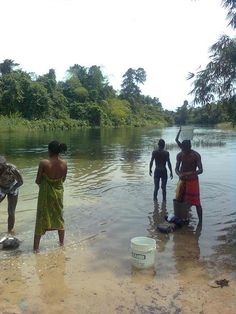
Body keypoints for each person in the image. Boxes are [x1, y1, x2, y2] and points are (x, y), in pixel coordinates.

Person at [33, 140, 67, 253]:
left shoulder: (44, 163)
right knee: (59, 217)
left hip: (45, 195)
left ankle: (36, 250)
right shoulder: (64, 164)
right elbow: (63, 180)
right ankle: (62, 245)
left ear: (49, 150)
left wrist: (45, 179)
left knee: (41, 219)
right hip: (58, 195)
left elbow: (37, 181)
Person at [175, 139, 203, 223]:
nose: (184, 151)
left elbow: (201, 170)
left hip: (193, 181)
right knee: (181, 200)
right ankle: (183, 219)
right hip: (182, 180)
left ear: (190, 147)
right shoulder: (180, 155)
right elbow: (176, 168)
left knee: (197, 203)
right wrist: (179, 174)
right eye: (183, 149)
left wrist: (189, 173)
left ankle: (200, 222)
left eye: (186, 149)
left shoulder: (195, 155)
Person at [0, 156, 23, 234]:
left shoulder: (12, 169)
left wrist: (12, 189)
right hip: (1, 187)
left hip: (13, 186)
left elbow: (20, 182)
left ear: (4, 165)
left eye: (1, 166)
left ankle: (10, 231)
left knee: (11, 211)